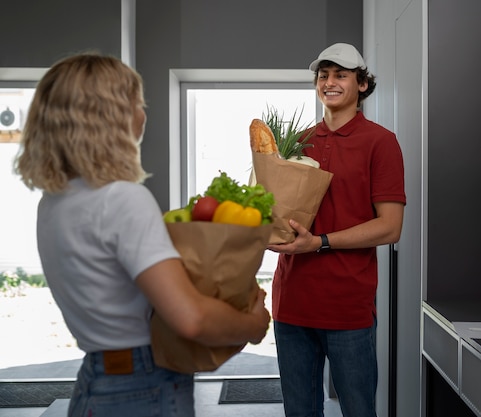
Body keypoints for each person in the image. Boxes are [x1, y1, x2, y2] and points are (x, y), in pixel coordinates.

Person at [13, 53, 270, 417]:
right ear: (110, 116)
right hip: (144, 385)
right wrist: (253, 325)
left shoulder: (53, 202)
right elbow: (190, 318)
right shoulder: (122, 199)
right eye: (137, 103)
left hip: (96, 381)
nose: (143, 114)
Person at [268, 43, 406, 417]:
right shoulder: (298, 142)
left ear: (361, 84)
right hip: (291, 303)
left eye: (340, 75)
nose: (329, 82)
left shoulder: (381, 142)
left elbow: (390, 227)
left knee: (358, 411)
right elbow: (284, 210)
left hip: (348, 307)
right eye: (323, 75)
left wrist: (320, 243)